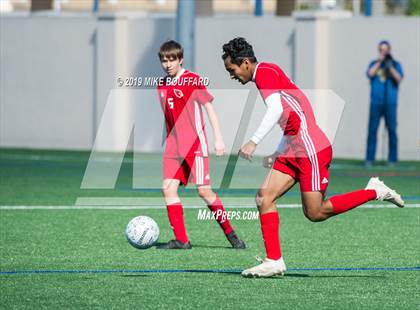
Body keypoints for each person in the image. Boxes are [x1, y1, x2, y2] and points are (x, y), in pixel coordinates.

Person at [221, 37, 404, 277]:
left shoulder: (264, 72)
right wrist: (278, 151)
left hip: (309, 149)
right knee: (264, 197)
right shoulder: (266, 73)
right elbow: (291, 118)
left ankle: (375, 191)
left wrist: (254, 141)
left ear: (245, 62)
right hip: (293, 147)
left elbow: (278, 110)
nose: (231, 75)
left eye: (231, 69)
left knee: (315, 212)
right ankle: (274, 260)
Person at [156, 40, 245, 249]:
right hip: (172, 147)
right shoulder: (161, 84)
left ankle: (231, 234)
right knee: (167, 189)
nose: (167, 64)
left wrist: (218, 138)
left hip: (194, 145)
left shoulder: (193, 81)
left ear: (181, 59)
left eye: (172, 60)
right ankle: (181, 240)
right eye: (164, 60)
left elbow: (209, 108)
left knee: (204, 191)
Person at [366, 40, 403, 167]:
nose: (383, 52)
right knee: (372, 130)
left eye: (385, 49)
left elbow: (399, 78)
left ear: (389, 50)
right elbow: (370, 73)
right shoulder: (374, 63)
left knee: (392, 130)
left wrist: (390, 66)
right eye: (381, 49)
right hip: (376, 102)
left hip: (390, 103)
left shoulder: (395, 64)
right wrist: (379, 61)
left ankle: (392, 159)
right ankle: (369, 159)